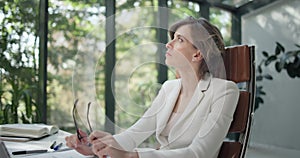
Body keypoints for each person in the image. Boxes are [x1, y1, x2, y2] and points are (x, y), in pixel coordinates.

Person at [65, 16, 239, 158]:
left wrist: (132, 156)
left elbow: (200, 153)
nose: (168, 44)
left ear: (197, 53)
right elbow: (135, 134)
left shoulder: (224, 91)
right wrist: (96, 147)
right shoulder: (169, 88)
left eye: (179, 40)